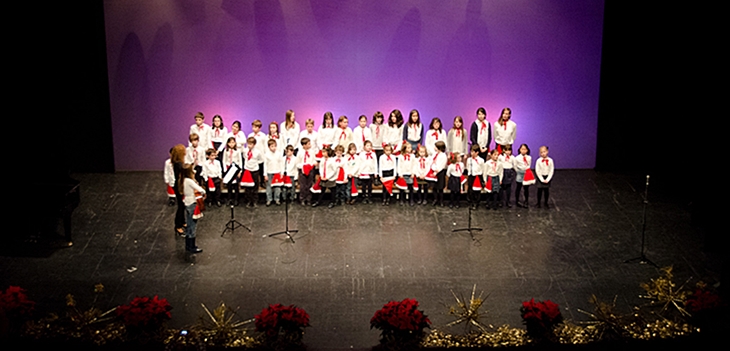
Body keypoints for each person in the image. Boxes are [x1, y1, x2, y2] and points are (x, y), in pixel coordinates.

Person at [179, 163, 205, 253]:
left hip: (187, 202)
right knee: (192, 225)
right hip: (192, 203)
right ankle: (192, 246)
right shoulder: (189, 181)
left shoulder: (182, 180)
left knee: (189, 224)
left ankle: (188, 245)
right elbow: (201, 190)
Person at [241, 137, 263, 208]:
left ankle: (254, 201)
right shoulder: (245, 151)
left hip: (255, 170)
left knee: (255, 187)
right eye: (248, 144)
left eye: (251, 144)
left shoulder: (257, 152)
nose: (249, 145)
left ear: (254, 144)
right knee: (247, 187)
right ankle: (248, 200)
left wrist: (255, 163)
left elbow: (261, 160)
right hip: (247, 170)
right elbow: (245, 158)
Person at [171, 144, 187, 235]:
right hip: (179, 186)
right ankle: (178, 225)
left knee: (183, 205)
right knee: (181, 206)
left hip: (180, 184)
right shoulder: (178, 164)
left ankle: (182, 221)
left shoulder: (177, 162)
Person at [222, 137, 242, 206]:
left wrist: (240, 171)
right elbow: (224, 160)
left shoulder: (237, 151)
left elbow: (240, 161)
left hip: (235, 169)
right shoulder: (226, 151)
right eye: (230, 142)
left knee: (236, 185)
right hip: (228, 168)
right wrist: (225, 170)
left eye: (233, 142)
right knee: (229, 186)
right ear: (227, 143)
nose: (231, 144)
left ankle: (236, 199)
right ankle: (229, 199)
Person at [264, 139, 284, 206]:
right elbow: (265, 165)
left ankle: (277, 199)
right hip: (269, 172)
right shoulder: (266, 154)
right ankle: (269, 199)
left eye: (275, 146)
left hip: (277, 172)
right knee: (269, 187)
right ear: (269, 147)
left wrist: (282, 172)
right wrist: (265, 174)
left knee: (277, 187)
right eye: (272, 146)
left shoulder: (279, 154)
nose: (273, 148)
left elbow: (281, 163)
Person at [513, 143, 534, 208]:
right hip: (519, 172)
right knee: (518, 187)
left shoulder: (529, 157)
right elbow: (515, 166)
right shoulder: (517, 158)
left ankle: (526, 201)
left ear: (527, 150)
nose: (523, 150)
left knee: (526, 188)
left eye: (525, 149)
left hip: (526, 173)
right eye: (522, 149)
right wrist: (518, 171)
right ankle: (517, 201)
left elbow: (529, 165)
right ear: (520, 150)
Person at [297, 137, 317, 206]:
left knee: (309, 184)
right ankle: (302, 198)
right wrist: (304, 166)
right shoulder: (300, 153)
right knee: (303, 185)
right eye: (308, 144)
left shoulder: (312, 152)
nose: (310, 145)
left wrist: (313, 163)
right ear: (304, 145)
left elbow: (313, 159)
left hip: (310, 170)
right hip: (303, 170)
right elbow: (297, 163)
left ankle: (309, 199)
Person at [427, 141, 448, 206]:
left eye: (436, 147)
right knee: (434, 187)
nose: (434, 148)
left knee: (440, 188)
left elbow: (442, 165)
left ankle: (441, 201)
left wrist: (436, 171)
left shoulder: (443, 156)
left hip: (440, 173)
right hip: (434, 171)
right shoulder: (435, 154)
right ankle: (435, 199)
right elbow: (432, 161)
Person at [466, 144, 484, 209]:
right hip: (471, 175)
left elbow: (482, 168)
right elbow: (467, 167)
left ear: (477, 152)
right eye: (471, 152)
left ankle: (476, 202)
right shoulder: (469, 160)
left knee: (477, 190)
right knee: (470, 189)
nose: (471, 153)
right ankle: (471, 201)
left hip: (477, 176)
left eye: (473, 152)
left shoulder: (481, 160)